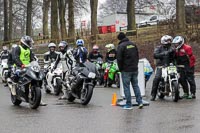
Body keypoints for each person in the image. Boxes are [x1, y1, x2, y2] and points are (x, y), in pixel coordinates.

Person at [13, 35, 47, 106]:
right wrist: (20, 64)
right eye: (29, 42)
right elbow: (15, 58)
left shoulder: (29, 50)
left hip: (28, 67)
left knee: (37, 76)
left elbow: (32, 58)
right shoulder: (17, 48)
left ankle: (38, 99)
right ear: (24, 42)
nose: (30, 44)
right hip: (19, 67)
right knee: (17, 76)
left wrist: (35, 63)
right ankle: (14, 91)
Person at [116, 32, 143, 110]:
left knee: (126, 87)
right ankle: (140, 102)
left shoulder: (121, 46)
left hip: (126, 70)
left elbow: (119, 59)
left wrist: (121, 69)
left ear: (119, 39)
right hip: (134, 69)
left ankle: (129, 104)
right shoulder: (133, 44)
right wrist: (136, 65)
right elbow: (137, 56)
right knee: (135, 85)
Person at [150, 35, 175, 101]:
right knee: (157, 78)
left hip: (170, 66)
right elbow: (155, 55)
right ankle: (153, 95)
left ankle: (176, 92)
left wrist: (173, 52)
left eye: (170, 40)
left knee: (177, 76)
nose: (169, 42)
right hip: (161, 66)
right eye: (167, 40)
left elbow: (175, 57)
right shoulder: (158, 48)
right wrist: (164, 53)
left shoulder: (172, 48)